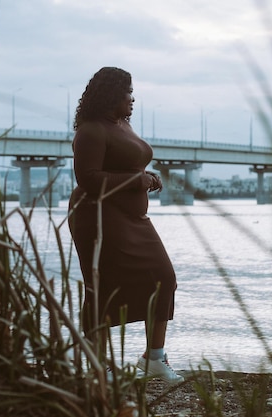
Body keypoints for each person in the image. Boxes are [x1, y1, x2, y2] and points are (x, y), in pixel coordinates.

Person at [67, 67, 183, 384]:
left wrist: (147, 179)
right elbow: (88, 180)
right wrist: (137, 180)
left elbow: (130, 164)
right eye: (128, 93)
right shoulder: (91, 131)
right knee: (103, 286)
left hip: (133, 219)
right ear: (111, 95)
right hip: (98, 217)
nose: (133, 99)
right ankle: (95, 364)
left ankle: (154, 359)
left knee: (163, 277)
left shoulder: (122, 125)